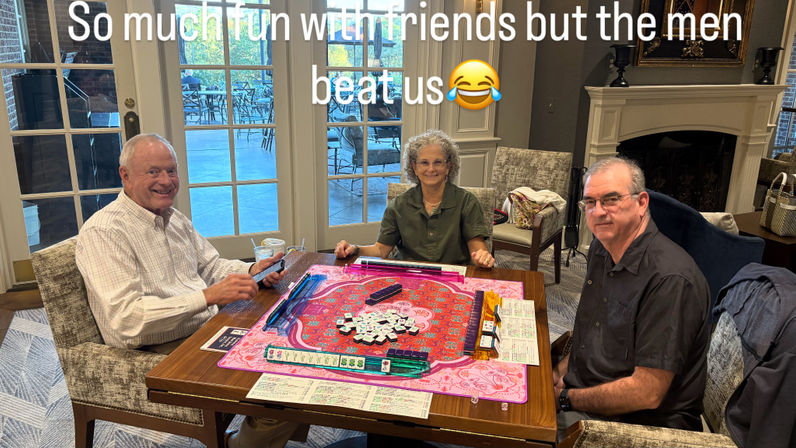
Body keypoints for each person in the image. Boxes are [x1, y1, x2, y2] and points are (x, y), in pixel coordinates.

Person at [75, 133, 305, 448]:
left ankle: (260, 437)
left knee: (297, 337)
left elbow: (210, 266)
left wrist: (251, 271)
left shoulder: (173, 218)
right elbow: (126, 321)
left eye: (171, 170)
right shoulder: (105, 232)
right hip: (158, 350)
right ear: (125, 176)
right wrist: (207, 297)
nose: (166, 181)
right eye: (153, 172)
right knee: (284, 377)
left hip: (204, 328)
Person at [553, 157, 711, 439]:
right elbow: (593, 334)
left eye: (611, 200)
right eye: (590, 202)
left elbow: (646, 393)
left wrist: (566, 399)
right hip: (591, 392)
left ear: (641, 203)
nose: (598, 212)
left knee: (513, 435)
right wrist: (559, 373)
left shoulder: (670, 280)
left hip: (641, 426)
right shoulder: (601, 249)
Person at [335, 129, 494, 268]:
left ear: (448, 166)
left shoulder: (467, 202)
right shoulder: (399, 205)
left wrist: (482, 257)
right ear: (414, 167)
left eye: (438, 162)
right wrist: (354, 249)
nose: (431, 169)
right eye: (424, 163)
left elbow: (477, 249)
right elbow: (381, 250)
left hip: (453, 276)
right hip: (409, 275)